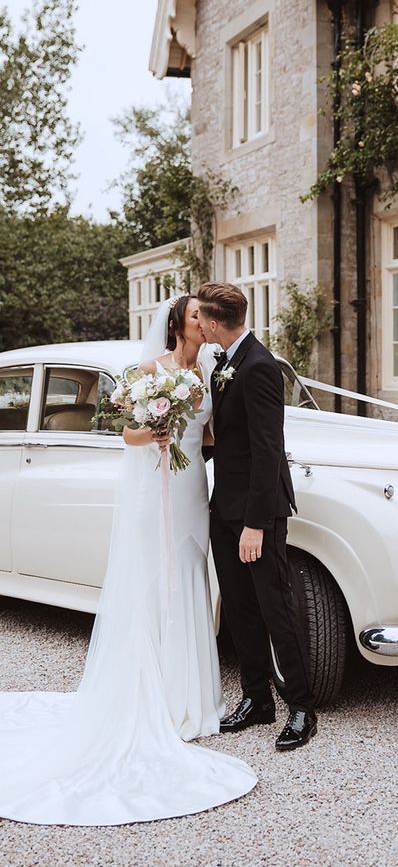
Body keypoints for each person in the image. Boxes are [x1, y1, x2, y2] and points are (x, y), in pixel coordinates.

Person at [0, 295, 256, 826]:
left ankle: (192, 699)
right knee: (152, 576)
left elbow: (211, 431)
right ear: (179, 324)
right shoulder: (147, 370)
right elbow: (125, 433)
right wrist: (156, 429)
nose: (203, 323)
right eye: (195, 317)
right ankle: (155, 696)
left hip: (191, 487)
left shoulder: (210, 367)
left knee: (188, 571)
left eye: (206, 318)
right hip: (154, 482)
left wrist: (207, 436)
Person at [196, 282, 317, 752]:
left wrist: (255, 524)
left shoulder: (261, 367)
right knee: (240, 608)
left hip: (255, 513)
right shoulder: (224, 362)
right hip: (223, 505)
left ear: (213, 321)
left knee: (276, 608)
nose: (199, 326)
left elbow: (269, 452)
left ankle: (303, 708)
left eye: (202, 319)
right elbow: (229, 440)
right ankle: (257, 699)